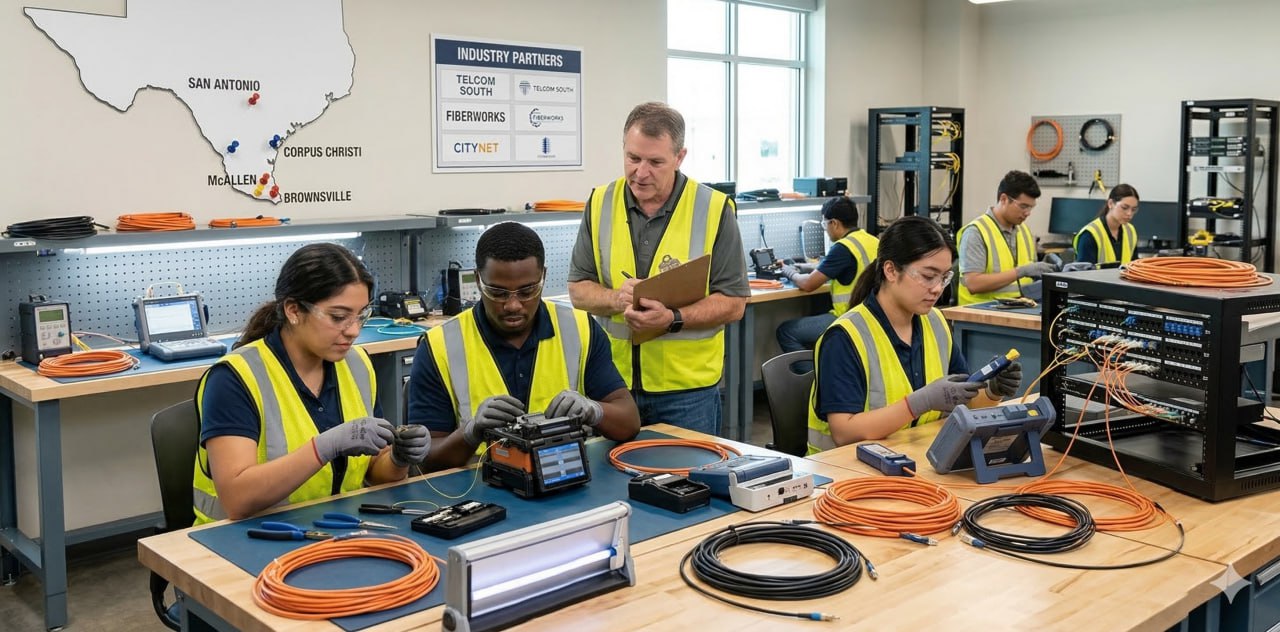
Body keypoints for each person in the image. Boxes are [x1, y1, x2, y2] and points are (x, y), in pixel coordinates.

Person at [192, 244, 428, 524]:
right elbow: (238, 500)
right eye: (338, 317)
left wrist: (398, 459)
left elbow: (372, 471)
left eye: (361, 315)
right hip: (242, 540)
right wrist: (325, 447)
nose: (353, 330)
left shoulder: (357, 365)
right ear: (293, 310)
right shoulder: (235, 378)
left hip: (334, 530)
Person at [568, 101, 749, 435]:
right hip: (612, 386)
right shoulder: (599, 202)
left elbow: (734, 303)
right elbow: (578, 289)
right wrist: (616, 299)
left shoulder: (713, 209)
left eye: (655, 162)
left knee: (688, 483)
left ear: (680, 157)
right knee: (611, 486)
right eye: (633, 158)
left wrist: (672, 319)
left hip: (687, 393)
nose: (640, 172)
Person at [410, 222, 640, 470]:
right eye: (497, 292)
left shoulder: (579, 328)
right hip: (481, 491)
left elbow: (629, 421)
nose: (513, 305)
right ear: (478, 280)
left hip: (563, 478)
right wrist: (471, 432)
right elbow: (426, 460)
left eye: (527, 291)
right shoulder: (440, 346)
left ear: (543, 277)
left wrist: (594, 411)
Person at [806, 216, 1023, 453]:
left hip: (916, 459)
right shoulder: (844, 337)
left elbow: (965, 400)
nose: (938, 288)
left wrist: (992, 390)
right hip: (847, 475)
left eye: (944, 277)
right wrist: (920, 402)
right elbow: (844, 433)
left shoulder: (936, 322)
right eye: (928, 276)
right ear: (890, 270)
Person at [776, 195, 879, 364]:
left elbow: (808, 284)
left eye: (825, 224)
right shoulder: (871, 241)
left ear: (835, 223)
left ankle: (813, 382)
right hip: (873, 316)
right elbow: (830, 267)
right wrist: (800, 267)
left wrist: (786, 271)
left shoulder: (843, 248)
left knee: (786, 331)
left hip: (848, 317)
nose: (826, 229)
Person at [958, 170, 1056, 305]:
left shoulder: (1024, 231)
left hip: (1021, 308)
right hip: (982, 314)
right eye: (1023, 206)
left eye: (1031, 207)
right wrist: (1022, 271)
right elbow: (973, 284)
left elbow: (1027, 279)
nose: (1027, 213)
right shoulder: (976, 232)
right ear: (1004, 199)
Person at [1073, 183, 1140, 265]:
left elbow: (1135, 265)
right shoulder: (1089, 234)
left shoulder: (1130, 231)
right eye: (1124, 208)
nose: (1129, 213)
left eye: (1134, 209)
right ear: (1110, 203)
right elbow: (1083, 274)